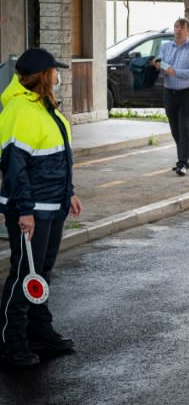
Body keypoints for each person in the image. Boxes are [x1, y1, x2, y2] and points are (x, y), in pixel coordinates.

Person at [0, 48, 84, 367]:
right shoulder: (19, 111)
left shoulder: (44, 107)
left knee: (41, 272)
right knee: (25, 274)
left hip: (53, 204)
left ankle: (39, 332)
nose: (57, 76)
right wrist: (24, 211)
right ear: (43, 76)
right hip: (31, 209)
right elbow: (14, 167)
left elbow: (58, 155)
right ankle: (11, 341)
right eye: (54, 71)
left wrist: (69, 193)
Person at [151, 17, 189, 176]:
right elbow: (161, 64)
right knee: (175, 128)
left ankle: (182, 162)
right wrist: (157, 64)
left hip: (188, 92)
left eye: (181, 27)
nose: (178, 30)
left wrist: (176, 72)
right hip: (169, 91)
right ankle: (183, 158)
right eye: (176, 27)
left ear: (188, 31)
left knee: (185, 127)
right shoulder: (166, 47)